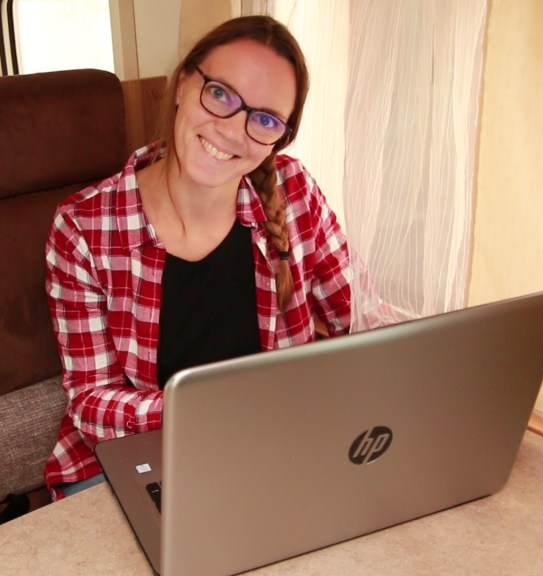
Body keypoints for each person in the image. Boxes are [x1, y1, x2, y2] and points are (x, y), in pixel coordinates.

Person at [42, 15, 354, 500]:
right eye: (221, 94)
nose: (232, 130)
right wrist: (216, 407)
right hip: (138, 458)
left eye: (265, 119)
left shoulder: (295, 193)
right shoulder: (83, 226)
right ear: (184, 83)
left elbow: (356, 324)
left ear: (280, 137)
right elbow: (91, 404)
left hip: (267, 447)